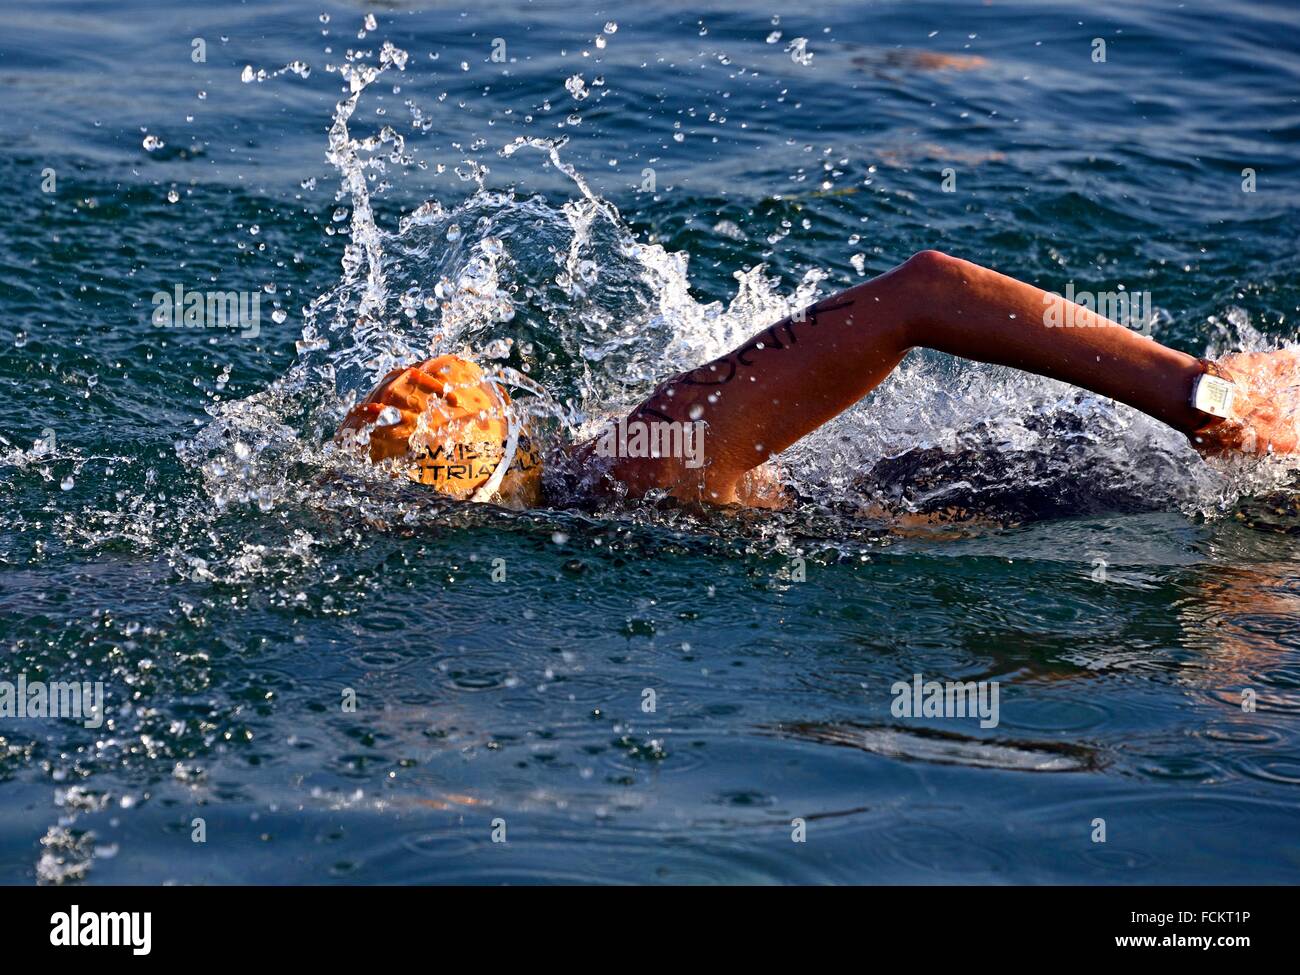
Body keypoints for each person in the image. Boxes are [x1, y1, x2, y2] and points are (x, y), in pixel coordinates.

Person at [336, 250, 1300, 513]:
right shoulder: (597, 478)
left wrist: (1202, 401)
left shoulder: (640, 461)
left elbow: (928, 291)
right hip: (1009, 486)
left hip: (1074, 488)